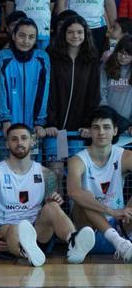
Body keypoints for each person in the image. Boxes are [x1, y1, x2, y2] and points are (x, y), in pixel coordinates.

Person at [0, 124, 96, 267]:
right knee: (16, 228)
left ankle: (74, 242)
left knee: (52, 207)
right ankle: (26, 252)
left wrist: (54, 199)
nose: (19, 143)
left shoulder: (47, 174)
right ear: (7, 144)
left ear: (32, 141)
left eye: (24, 138)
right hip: (7, 231)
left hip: (38, 232)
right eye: (14, 139)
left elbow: (53, 202)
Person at [66, 106, 132, 261]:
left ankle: (123, 241)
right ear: (89, 131)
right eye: (96, 127)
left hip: (121, 225)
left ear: (115, 131)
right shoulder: (77, 160)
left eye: (106, 127)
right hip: (89, 232)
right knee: (84, 195)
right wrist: (111, 210)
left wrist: (123, 211)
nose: (101, 132)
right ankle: (119, 243)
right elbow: (73, 192)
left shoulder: (124, 156)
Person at [46, 14, 101, 158]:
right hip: (56, 130)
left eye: (79, 32)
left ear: (86, 33)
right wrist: (50, 122)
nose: (75, 36)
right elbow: (48, 92)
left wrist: (89, 123)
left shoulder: (92, 58)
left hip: (78, 130)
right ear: (63, 33)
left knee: (74, 170)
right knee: (56, 170)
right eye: (70, 32)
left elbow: (93, 93)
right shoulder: (52, 56)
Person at [0, 18, 50, 133]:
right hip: (8, 126)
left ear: (35, 39)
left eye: (31, 37)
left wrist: (40, 122)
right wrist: (5, 119)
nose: (26, 41)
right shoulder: (3, 57)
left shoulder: (42, 58)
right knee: (9, 150)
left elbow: (44, 91)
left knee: (31, 151)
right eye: (22, 35)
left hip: (34, 127)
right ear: (13, 36)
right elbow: (1, 90)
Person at [100, 36, 132, 123]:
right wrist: (106, 113)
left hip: (127, 121)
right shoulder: (106, 66)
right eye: (121, 52)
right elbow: (101, 91)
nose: (123, 57)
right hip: (107, 118)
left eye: (128, 54)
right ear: (116, 51)